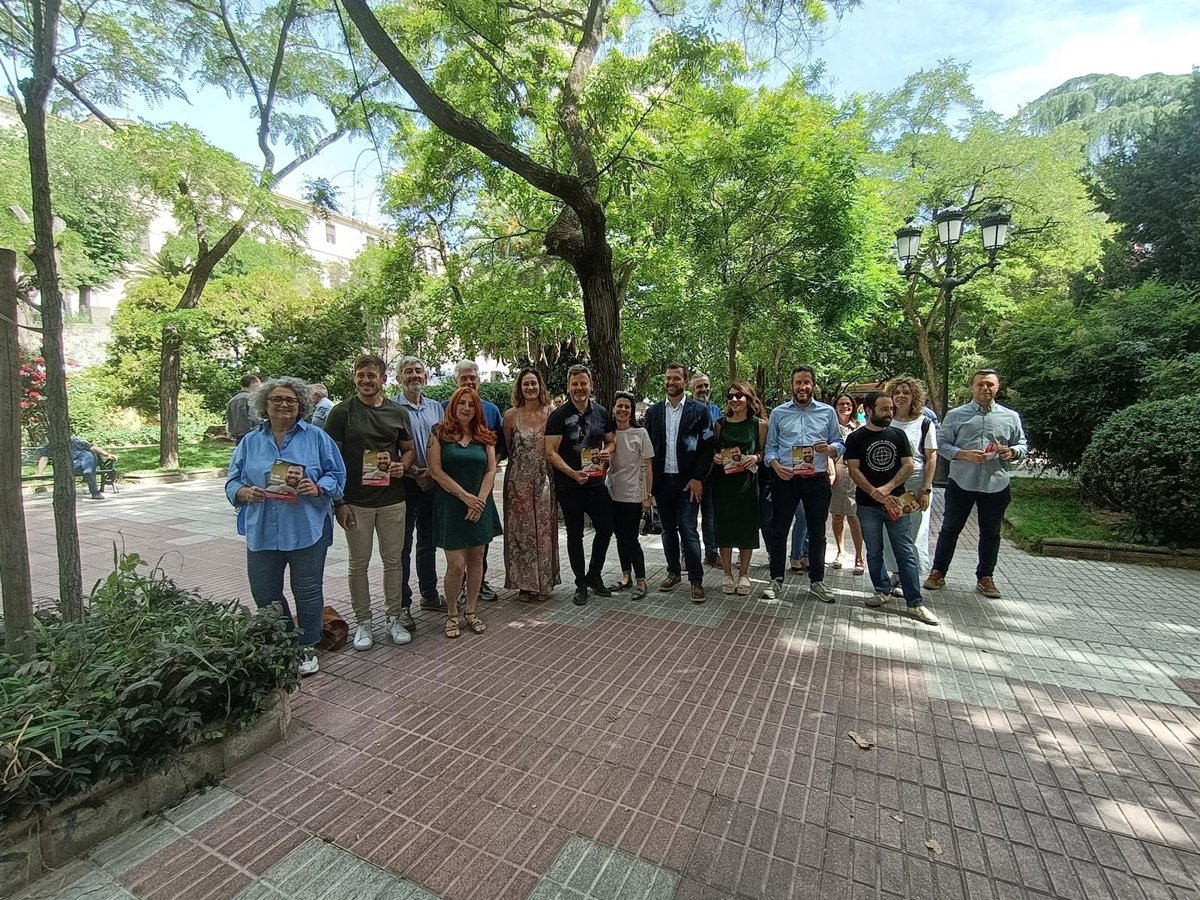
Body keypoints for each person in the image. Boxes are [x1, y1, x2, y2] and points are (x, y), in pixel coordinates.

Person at [225, 376, 346, 676]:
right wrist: (244, 492)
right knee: (264, 592)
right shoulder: (250, 442)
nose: (283, 405)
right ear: (264, 404)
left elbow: (337, 475)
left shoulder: (316, 438)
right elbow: (232, 481)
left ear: (300, 405)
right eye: (276, 399)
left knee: (307, 590)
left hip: (307, 527)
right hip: (263, 528)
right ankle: (283, 639)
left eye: (290, 400)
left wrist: (318, 487)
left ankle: (307, 645)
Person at [324, 355, 416, 651]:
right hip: (356, 502)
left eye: (371, 376)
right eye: (360, 375)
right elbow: (330, 459)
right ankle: (363, 621)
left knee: (393, 561)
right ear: (355, 378)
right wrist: (339, 502)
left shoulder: (397, 412)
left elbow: (409, 449)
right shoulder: (341, 412)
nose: (366, 381)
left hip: (392, 500)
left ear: (383, 379)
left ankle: (394, 617)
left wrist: (403, 465)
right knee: (358, 563)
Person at [925, 369, 1028, 599]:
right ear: (972, 387)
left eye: (990, 384)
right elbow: (942, 444)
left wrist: (1011, 451)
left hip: (995, 483)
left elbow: (1022, 444)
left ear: (997, 388)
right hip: (962, 481)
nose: (985, 388)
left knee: (991, 532)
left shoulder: (1010, 417)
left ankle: (985, 577)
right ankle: (938, 572)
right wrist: (963, 454)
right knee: (950, 529)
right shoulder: (956, 415)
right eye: (980, 384)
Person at [844, 392, 939, 625]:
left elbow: (908, 465)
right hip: (868, 505)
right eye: (884, 409)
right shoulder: (855, 438)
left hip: (897, 502)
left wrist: (887, 488)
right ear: (869, 410)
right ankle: (881, 590)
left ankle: (915, 602)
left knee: (905, 551)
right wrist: (873, 492)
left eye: (891, 409)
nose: (889, 413)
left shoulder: (898, 435)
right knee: (874, 550)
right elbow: (854, 469)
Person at [763, 366, 844, 603]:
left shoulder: (827, 412)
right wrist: (775, 465)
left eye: (806, 382)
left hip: (816, 479)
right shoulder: (778, 413)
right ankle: (776, 579)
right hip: (786, 478)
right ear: (792, 385)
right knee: (779, 530)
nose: (802, 387)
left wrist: (830, 449)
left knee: (817, 532)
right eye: (798, 382)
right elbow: (770, 447)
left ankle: (817, 581)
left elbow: (839, 443)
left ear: (813, 385)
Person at [429, 386, 502, 638]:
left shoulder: (485, 435)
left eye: (471, 404)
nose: (466, 408)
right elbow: (435, 471)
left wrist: (479, 500)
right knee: (456, 565)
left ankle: (471, 611)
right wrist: (464, 497)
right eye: (462, 403)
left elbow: (491, 470)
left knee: (476, 559)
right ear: (453, 405)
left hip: (480, 505)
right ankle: (452, 613)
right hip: (451, 505)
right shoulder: (439, 433)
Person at [545, 364, 615, 606]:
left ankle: (594, 574)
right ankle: (580, 583)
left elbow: (611, 441)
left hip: (596, 483)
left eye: (583, 383)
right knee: (575, 534)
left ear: (591, 385)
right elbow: (550, 452)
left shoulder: (602, 412)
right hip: (569, 485)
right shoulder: (558, 416)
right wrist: (572, 473)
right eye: (574, 384)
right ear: (568, 386)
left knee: (606, 528)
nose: (579, 388)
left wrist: (607, 452)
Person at [645, 363, 716, 602]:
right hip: (662, 482)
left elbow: (707, 448)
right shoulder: (654, 412)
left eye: (676, 378)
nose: (671, 382)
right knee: (667, 529)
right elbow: (648, 450)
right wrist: (649, 486)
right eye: (668, 378)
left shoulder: (700, 410)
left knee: (688, 529)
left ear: (685, 382)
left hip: (688, 483)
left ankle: (696, 580)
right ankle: (673, 572)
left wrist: (698, 478)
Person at [444, 361, 506, 601]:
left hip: (482, 487)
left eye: (473, 378)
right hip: (453, 490)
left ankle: (479, 584)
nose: (469, 382)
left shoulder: (491, 410)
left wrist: (488, 465)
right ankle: (458, 587)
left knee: (480, 544)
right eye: (464, 378)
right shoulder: (444, 408)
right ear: (456, 382)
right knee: (456, 550)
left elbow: (500, 444)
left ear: (479, 380)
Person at [502, 368, 560, 600]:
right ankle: (525, 584)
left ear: (540, 386)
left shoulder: (551, 412)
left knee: (544, 531)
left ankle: (544, 583)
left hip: (544, 479)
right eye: (525, 384)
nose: (530, 388)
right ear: (520, 387)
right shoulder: (511, 416)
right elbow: (509, 448)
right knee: (521, 532)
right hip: (518, 483)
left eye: (533, 383)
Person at [394, 356, 446, 612]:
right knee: (402, 546)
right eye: (408, 371)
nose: (414, 375)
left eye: (418, 371)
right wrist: (415, 472)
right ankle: (403, 603)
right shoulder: (391, 408)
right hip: (404, 484)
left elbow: (444, 442)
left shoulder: (436, 407)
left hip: (432, 484)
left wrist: (432, 473)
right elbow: (389, 447)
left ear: (425, 376)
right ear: (399, 378)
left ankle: (429, 593)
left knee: (428, 542)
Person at [708, 381, 767, 596]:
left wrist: (756, 457)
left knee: (746, 527)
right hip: (723, 483)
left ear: (749, 399)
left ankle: (744, 573)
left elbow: (764, 451)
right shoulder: (720, 424)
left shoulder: (760, 424)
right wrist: (715, 457)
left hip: (747, 483)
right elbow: (713, 450)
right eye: (730, 396)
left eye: (739, 396)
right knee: (724, 527)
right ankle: (727, 573)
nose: (734, 400)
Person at [882, 376, 938, 580]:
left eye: (906, 392)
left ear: (914, 396)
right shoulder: (885, 422)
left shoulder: (924, 423)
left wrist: (926, 489)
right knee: (889, 529)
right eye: (896, 392)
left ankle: (911, 574)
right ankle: (895, 573)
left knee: (914, 531)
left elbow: (931, 457)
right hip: (889, 485)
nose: (901, 396)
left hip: (915, 485)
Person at [606, 391, 654, 601]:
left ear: (632, 411)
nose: (623, 410)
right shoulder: (609, 435)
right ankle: (626, 576)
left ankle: (641, 580)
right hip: (613, 492)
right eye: (619, 406)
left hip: (634, 494)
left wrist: (647, 495)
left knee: (631, 538)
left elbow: (648, 465)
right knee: (619, 538)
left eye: (627, 406)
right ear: (613, 409)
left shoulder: (640, 433)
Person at [690, 372, 724, 570]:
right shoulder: (686, 409)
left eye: (706, 386)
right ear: (691, 389)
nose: (703, 389)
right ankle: (687, 555)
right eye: (699, 386)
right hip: (691, 472)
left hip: (712, 472)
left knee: (709, 516)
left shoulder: (716, 410)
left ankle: (711, 553)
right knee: (688, 517)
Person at [828, 394, 865, 575]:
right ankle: (841, 552)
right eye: (841, 403)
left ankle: (859, 556)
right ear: (835, 406)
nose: (845, 406)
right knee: (837, 516)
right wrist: (831, 472)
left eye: (848, 403)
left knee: (854, 517)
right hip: (836, 473)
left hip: (855, 474)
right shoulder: (830, 426)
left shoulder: (860, 427)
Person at [35, 435, 115, 500]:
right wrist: (40, 473)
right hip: (71, 464)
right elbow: (44, 458)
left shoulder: (75, 440)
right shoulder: (51, 445)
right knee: (88, 463)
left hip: (84, 459)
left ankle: (88, 471)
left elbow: (92, 447)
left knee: (88, 455)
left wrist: (107, 454)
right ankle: (94, 490)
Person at [226, 374, 262, 443]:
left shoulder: (232, 401)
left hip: (237, 437)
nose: (259, 389)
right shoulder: (252, 399)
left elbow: (229, 419)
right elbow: (255, 418)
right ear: (252, 383)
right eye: (258, 386)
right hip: (252, 436)